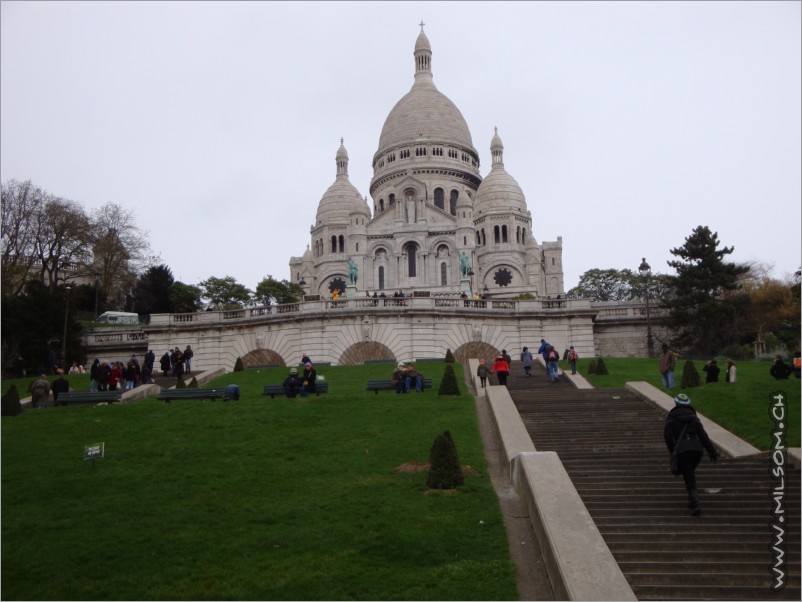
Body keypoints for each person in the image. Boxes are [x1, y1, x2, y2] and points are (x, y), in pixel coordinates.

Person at [663, 393, 718, 516]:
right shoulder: (694, 417)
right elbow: (703, 435)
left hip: (683, 449)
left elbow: (668, 436)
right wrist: (712, 451)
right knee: (689, 473)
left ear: (676, 403)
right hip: (697, 449)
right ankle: (691, 499)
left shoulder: (672, 417)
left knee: (688, 475)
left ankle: (695, 503)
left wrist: (673, 450)